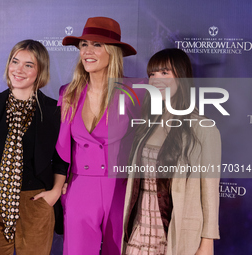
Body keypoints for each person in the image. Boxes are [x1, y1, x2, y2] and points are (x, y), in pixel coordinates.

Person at [0, 39, 67, 255]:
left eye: (29, 65)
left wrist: (55, 193)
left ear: (40, 71)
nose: (18, 69)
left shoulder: (54, 110)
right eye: (15, 61)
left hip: (36, 203)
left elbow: (62, 159)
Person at [122, 48, 221, 255]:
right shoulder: (146, 124)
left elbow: (210, 193)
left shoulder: (203, 128)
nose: (156, 80)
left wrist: (207, 241)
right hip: (139, 231)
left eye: (165, 73)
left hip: (177, 234)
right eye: (152, 74)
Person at [55, 17, 137, 255]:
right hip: (79, 187)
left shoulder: (133, 93)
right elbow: (61, 147)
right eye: (84, 45)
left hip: (119, 187)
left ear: (112, 52)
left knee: (118, 250)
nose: (88, 51)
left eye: (97, 45)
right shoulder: (67, 93)